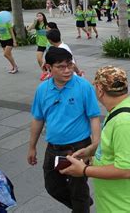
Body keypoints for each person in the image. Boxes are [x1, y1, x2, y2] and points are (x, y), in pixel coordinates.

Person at [59, 66, 130, 212]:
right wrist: (91, 151)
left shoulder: (124, 121)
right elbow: (117, 147)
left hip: (123, 207)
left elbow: (127, 169)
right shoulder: (119, 109)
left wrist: (84, 170)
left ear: (100, 89)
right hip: (116, 203)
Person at [27, 47, 101, 213]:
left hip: (78, 148)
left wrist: (95, 144)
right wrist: (32, 146)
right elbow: (38, 119)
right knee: (52, 187)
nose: (67, 70)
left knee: (78, 189)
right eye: (61, 66)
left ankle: (80, 206)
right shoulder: (42, 90)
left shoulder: (83, 86)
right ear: (48, 67)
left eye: (69, 65)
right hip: (53, 148)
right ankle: (81, 205)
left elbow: (94, 116)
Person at [27, 12, 49, 77]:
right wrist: (34, 22)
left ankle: (51, 72)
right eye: (37, 16)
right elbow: (28, 29)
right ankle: (44, 72)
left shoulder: (47, 25)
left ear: (43, 17)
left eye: (40, 16)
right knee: (39, 59)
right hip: (40, 44)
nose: (39, 17)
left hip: (48, 44)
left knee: (49, 60)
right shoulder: (36, 25)